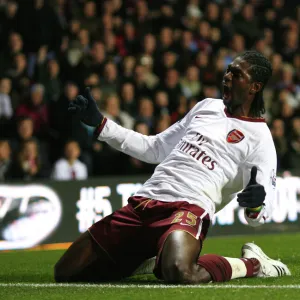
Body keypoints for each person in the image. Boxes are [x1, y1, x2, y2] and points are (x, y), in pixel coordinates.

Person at [54, 51, 290, 283]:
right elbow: (154, 148)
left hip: (188, 208)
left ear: (254, 87)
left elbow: (260, 213)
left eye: (236, 74)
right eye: (228, 70)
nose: (227, 76)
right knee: (66, 272)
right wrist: (102, 125)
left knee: (179, 270)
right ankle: (148, 256)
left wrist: (257, 203)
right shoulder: (207, 107)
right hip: (146, 201)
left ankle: (253, 264)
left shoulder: (260, 139)